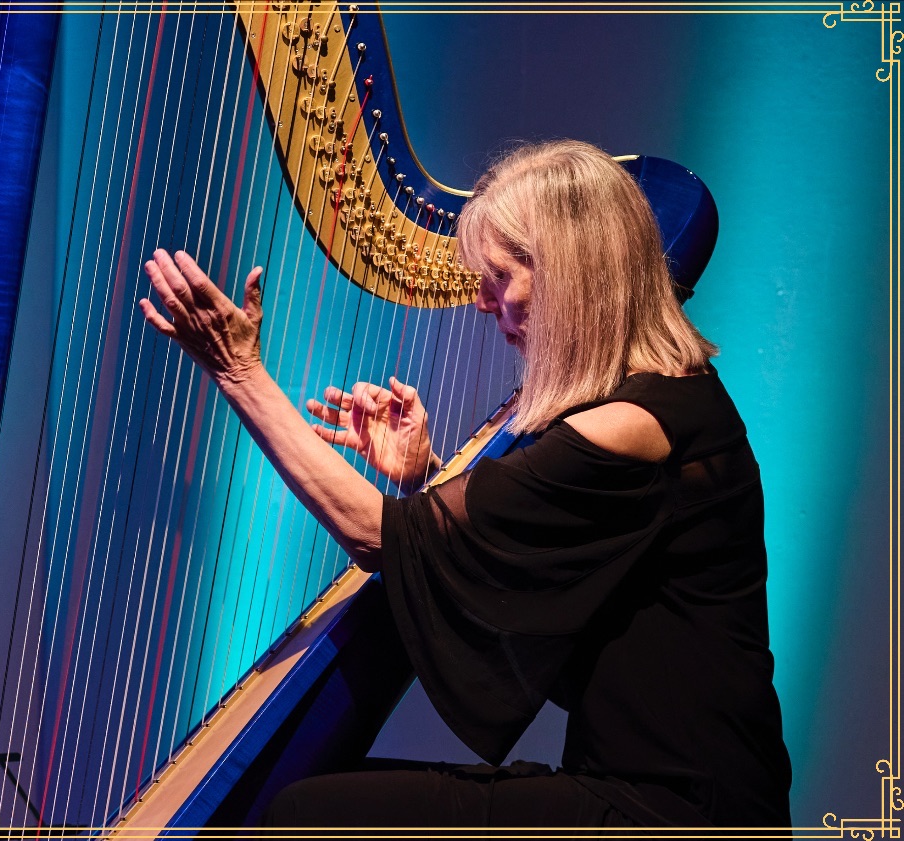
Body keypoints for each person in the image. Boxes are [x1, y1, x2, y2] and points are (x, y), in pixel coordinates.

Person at [138, 139, 792, 828]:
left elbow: (376, 535)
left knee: (307, 816)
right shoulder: (668, 394)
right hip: (666, 790)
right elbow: (509, 555)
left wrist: (241, 374)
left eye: (499, 276)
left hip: (671, 810)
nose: (482, 302)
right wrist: (424, 476)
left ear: (571, 275)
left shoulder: (631, 426)